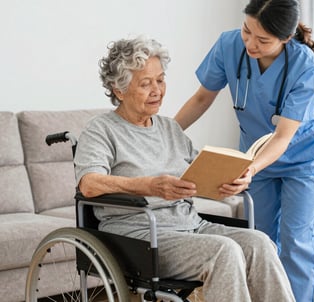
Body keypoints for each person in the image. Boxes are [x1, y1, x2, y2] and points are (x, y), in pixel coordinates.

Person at [74, 36, 295, 302]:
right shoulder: (101, 130)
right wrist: (147, 186)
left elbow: (198, 175)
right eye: (145, 84)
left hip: (191, 225)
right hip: (140, 237)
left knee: (260, 243)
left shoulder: (169, 128)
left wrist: (230, 181)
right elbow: (88, 183)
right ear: (119, 90)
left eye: (160, 79)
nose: (157, 90)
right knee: (224, 252)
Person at [174, 1, 314, 301]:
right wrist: (164, 133)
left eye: (263, 40)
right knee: (259, 240)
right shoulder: (228, 45)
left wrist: (251, 169)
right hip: (253, 156)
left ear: (285, 38)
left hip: (303, 158)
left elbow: (283, 137)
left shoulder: (304, 64)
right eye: (247, 31)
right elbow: (201, 99)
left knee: (297, 242)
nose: (250, 43)